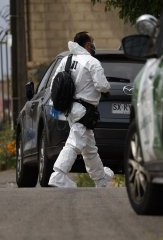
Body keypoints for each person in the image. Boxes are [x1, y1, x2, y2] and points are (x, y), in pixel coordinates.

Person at [48, 31, 114, 188]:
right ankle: (58, 175)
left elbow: (54, 84)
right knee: (74, 142)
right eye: (93, 43)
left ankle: (100, 180)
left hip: (70, 109)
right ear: (88, 45)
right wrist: (107, 88)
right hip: (85, 110)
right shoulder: (92, 62)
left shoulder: (66, 60)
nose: (94, 45)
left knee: (89, 149)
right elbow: (102, 86)